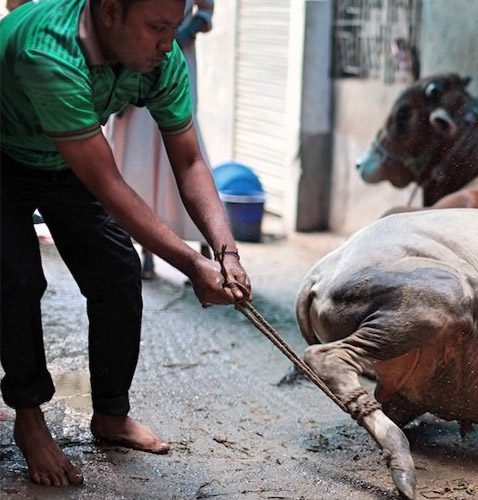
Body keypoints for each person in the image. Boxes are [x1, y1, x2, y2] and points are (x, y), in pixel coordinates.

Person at [0, 0, 252, 487]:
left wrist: (224, 252)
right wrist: (188, 265)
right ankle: (29, 417)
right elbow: (110, 187)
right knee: (14, 274)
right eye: (157, 28)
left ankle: (111, 414)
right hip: (4, 150)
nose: (168, 41)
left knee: (116, 268)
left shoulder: (161, 55)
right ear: (110, 13)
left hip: (60, 157)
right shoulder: (48, 52)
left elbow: (191, 162)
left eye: (173, 28)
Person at [105, 0, 215, 279]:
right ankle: (146, 253)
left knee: (183, 154)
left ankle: (208, 249)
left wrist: (176, 34)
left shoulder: (171, 49)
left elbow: (205, 12)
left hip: (173, 63)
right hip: (131, 64)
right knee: (135, 157)